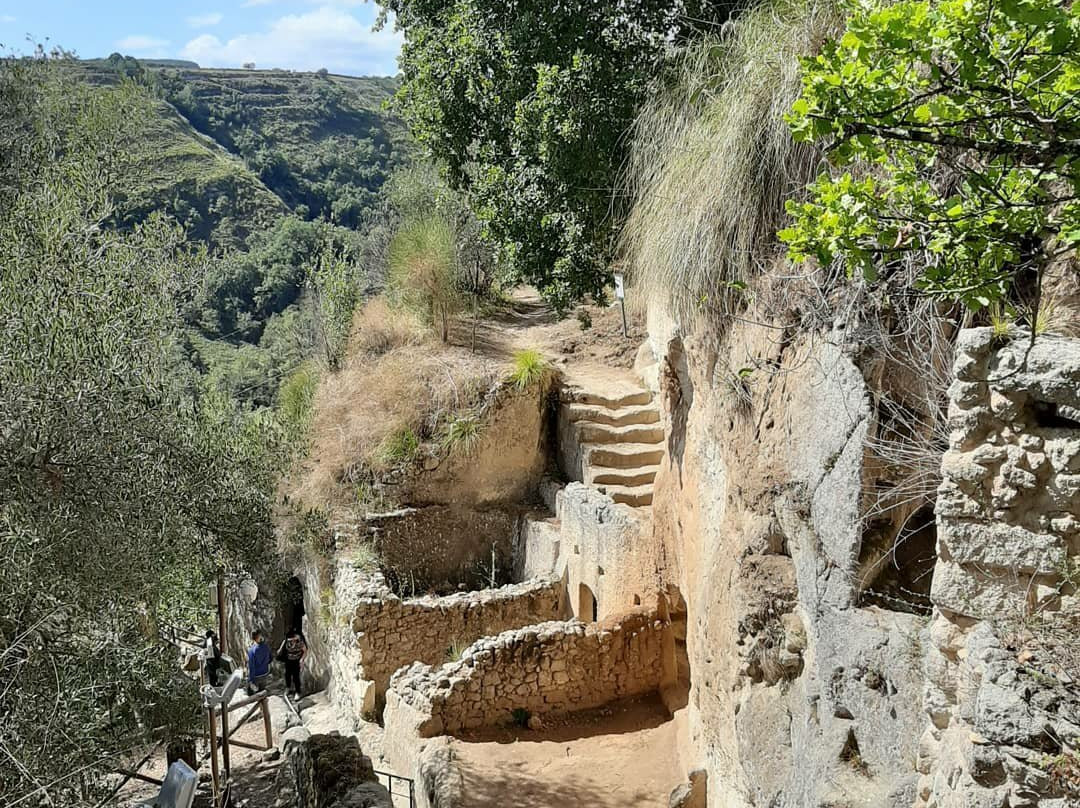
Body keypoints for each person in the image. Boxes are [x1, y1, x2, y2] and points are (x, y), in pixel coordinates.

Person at [278, 627, 307, 699]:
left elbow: (305, 650)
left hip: (296, 661)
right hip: (288, 660)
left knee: (296, 677)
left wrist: (302, 660)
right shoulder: (288, 640)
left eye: (292, 639)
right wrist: (280, 650)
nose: (291, 640)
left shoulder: (300, 641)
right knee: (287, 674)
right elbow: (284, 642)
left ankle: (298, 692)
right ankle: (288, 688)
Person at [246, 629, 271, 695]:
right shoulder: (266, 647)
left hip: (256, 676)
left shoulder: (251, 650)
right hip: (265, 673)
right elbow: (270, 658)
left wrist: (251, 680)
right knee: (262, 694)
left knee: (252, 696)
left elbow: (251, 666)